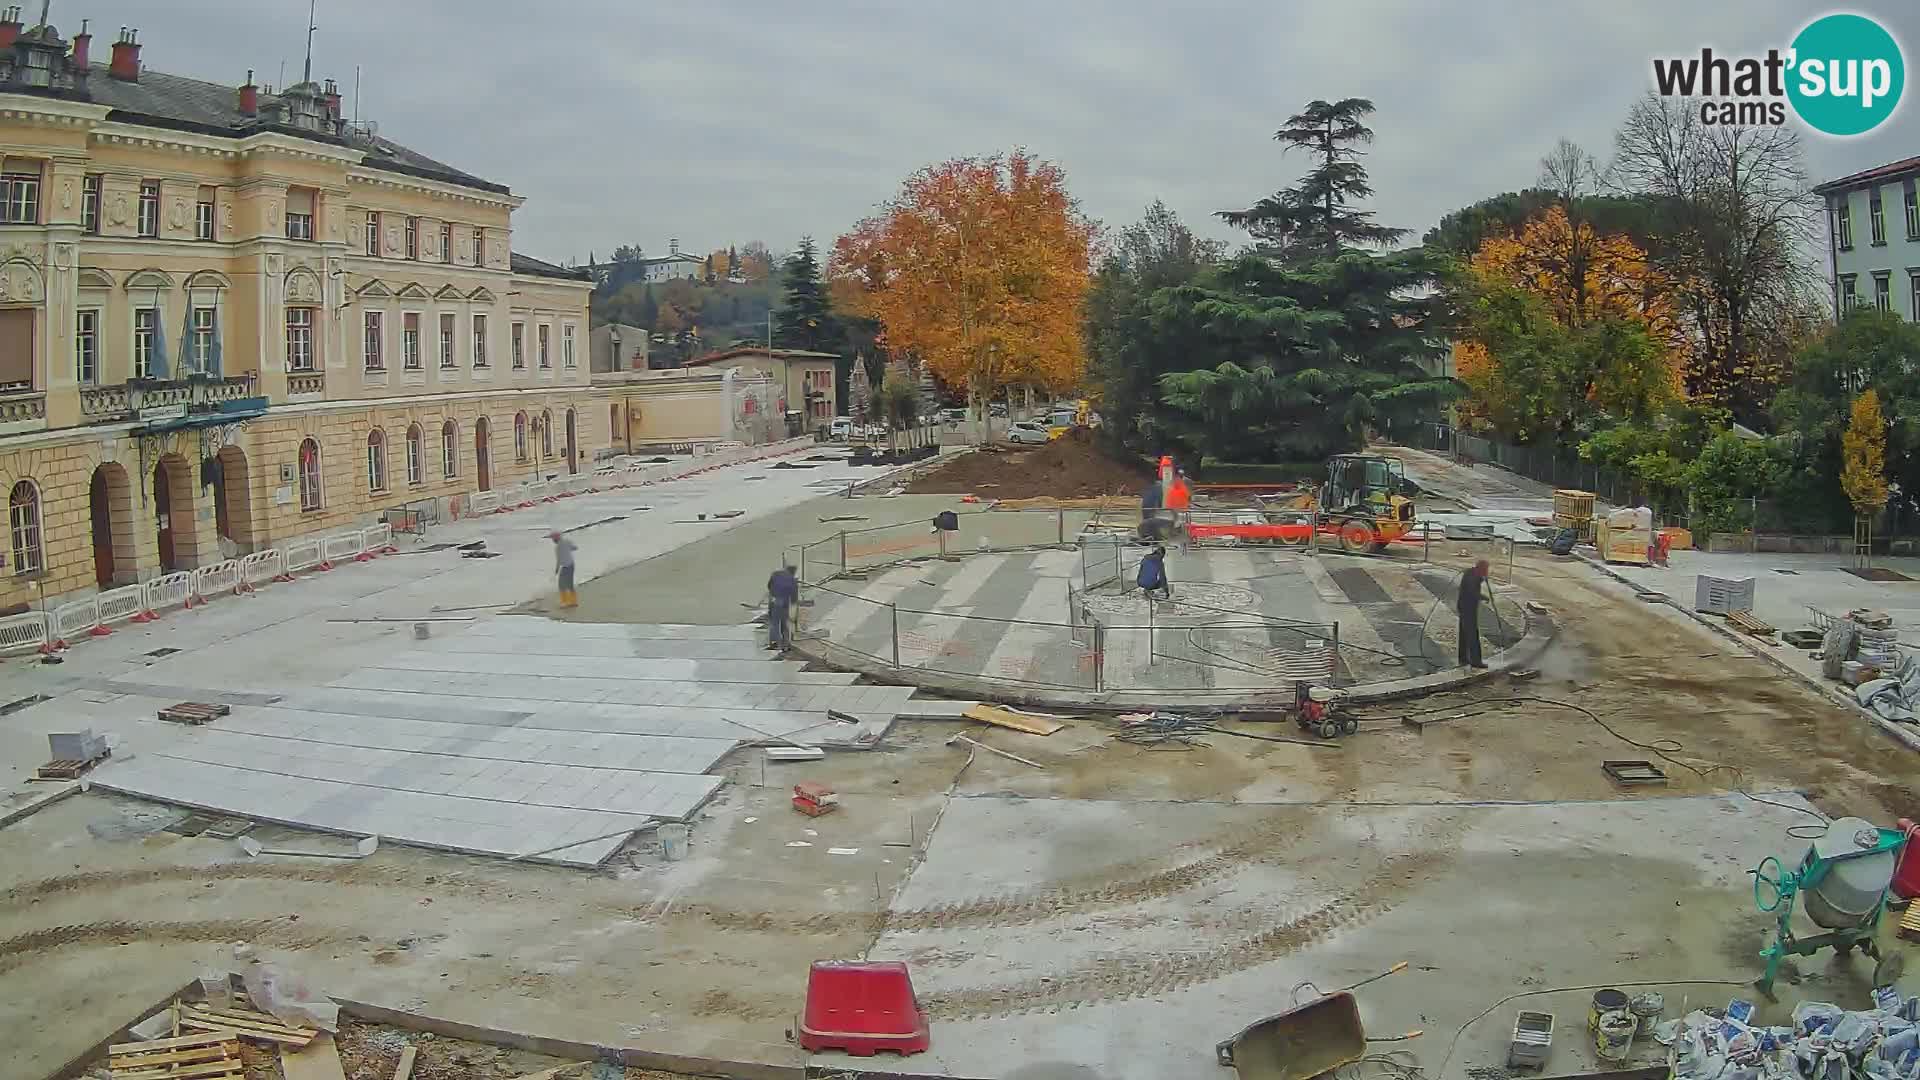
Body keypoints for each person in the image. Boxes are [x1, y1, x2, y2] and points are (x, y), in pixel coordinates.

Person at [1457, 559, 1490, 669]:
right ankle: (1476, 661)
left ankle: (1463, 659)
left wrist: (1482, 578)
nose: (1487, 572)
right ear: (1481, 569)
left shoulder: (1471, 572)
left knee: (1464, 633)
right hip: (1467, 608)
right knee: (1472, 635)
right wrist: (1484, 597)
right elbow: (1473, 592)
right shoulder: (1472, 577)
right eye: (1486, 570)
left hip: (1464, 607)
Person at [766, 563, 799, 651]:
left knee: (774, 623)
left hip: (775, 600)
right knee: (784, 623)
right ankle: (786, 644)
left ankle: (776, 643)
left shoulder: (776, 574)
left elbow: (769, 586)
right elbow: (794, 596)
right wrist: (793, 608)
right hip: (785, 602)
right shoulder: (793, 580)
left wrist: (773, 593)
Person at [551, 531, 578, 609]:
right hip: (571, 565)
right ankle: (573, 601)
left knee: (561, 585)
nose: (552, 540)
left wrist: (556, 569)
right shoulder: (566, 542)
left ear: (556, 538)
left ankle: (565, 602)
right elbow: (575, 548)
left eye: (553, 538)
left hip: (566, 566)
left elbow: (559, 559)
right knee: (569, 584)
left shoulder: (558, 547)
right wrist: (569, 549)